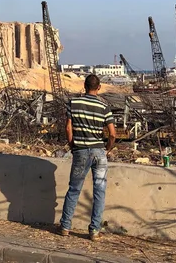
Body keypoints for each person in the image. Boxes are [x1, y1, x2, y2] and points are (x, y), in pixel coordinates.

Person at [58, 74, 116, 241]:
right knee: (99, 191)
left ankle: (65, 226)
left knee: (74, 189)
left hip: (81, 151)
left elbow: (68, 128)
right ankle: (94, 230)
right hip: (99, 153)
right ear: (99, 88)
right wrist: (107, 148)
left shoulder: (73, 103)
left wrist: (72, 146)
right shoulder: (104, 107)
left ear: (84, 86)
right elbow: (112, 134)